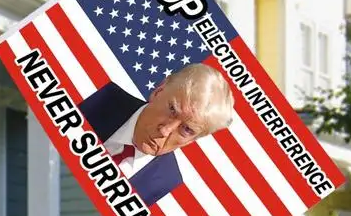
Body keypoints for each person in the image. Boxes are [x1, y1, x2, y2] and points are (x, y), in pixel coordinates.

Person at [78, 64, 234, 206]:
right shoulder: (93, 97)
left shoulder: (165, 183)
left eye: (187, 130)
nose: (165, 130)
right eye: (172, 109)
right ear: (159, 91)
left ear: (192, 140)